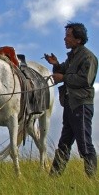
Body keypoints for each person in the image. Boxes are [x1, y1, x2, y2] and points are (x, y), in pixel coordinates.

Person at [44, 22, 98, 178]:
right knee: (64, 145)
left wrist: (63, 77)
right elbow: (64, 72)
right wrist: (56, 65)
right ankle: (52, 181)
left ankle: (92, 182)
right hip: (70, 105)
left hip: (81, 105)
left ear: (78, 39)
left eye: (68, 36)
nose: (65, 39)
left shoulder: (88, 57)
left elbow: (84, 80)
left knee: (85, 145)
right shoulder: (73, 56)